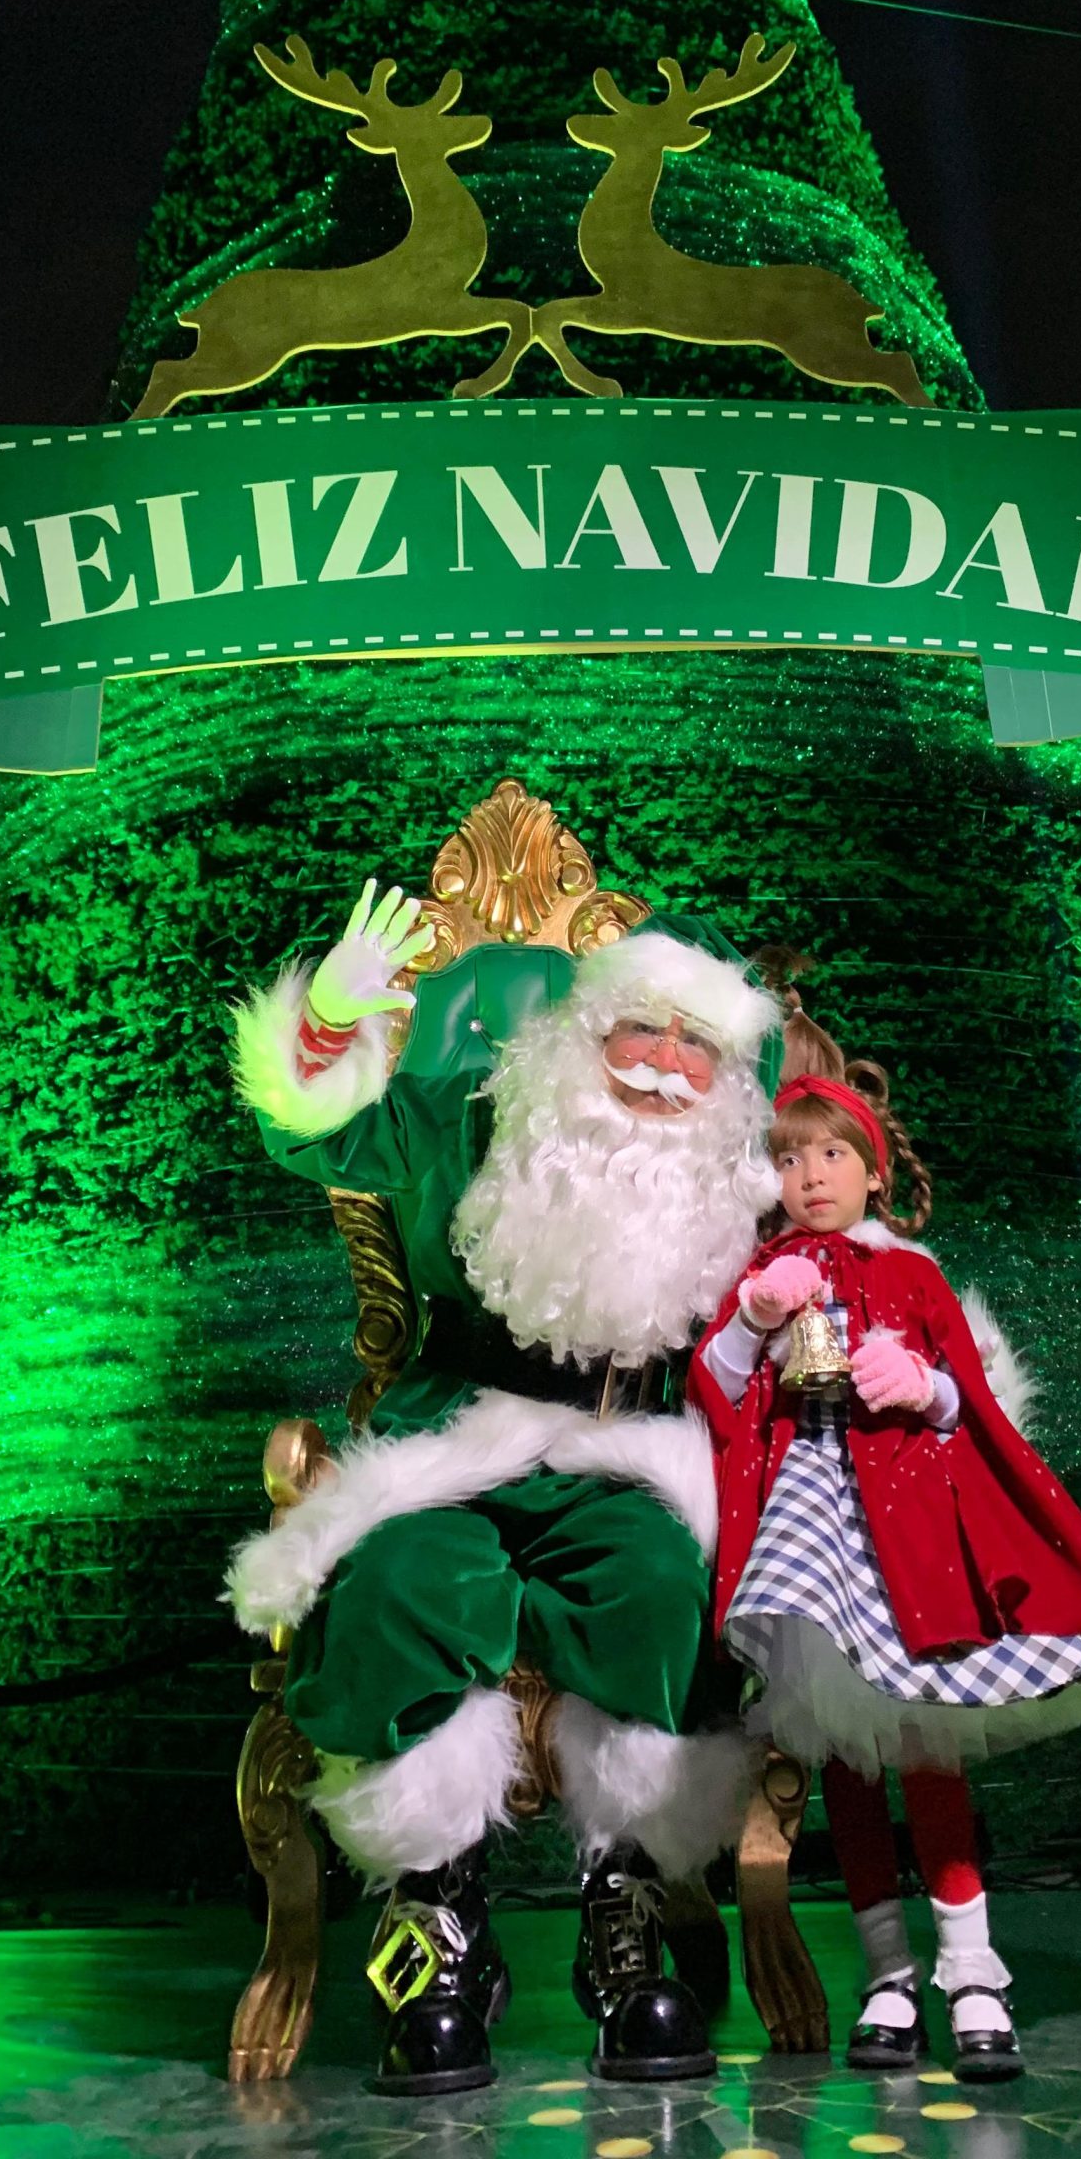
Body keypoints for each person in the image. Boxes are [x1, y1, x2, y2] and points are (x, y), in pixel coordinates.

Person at [227, 882, 780, 2095]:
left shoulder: (735, 1170)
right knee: (402, 1582)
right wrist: (324, 1026)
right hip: (458, 1432)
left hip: (631, 1449)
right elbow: (313, 1130)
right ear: (587, 1030)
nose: (667, 1069)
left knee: (657, 1587)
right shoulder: (476, 1114)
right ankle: (437, 1921)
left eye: (700, 1046)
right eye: (646, 1031)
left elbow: (841, 1250)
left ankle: (626, 1907)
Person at [689, 1014, 1081, 2083]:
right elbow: (714, 1395)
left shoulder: (915, 1275)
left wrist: (929, 1386)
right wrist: (751, 1322)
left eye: (833, 1156)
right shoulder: (764, 1272)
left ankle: (974, 1968)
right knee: (850, 1761)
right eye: (793, 1158)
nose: (812, 1176)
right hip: (809, 1533)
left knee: (929, 1747)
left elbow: (977, 1404)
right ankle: (889, 1974)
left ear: (873, 1173)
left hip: (910, 1541)